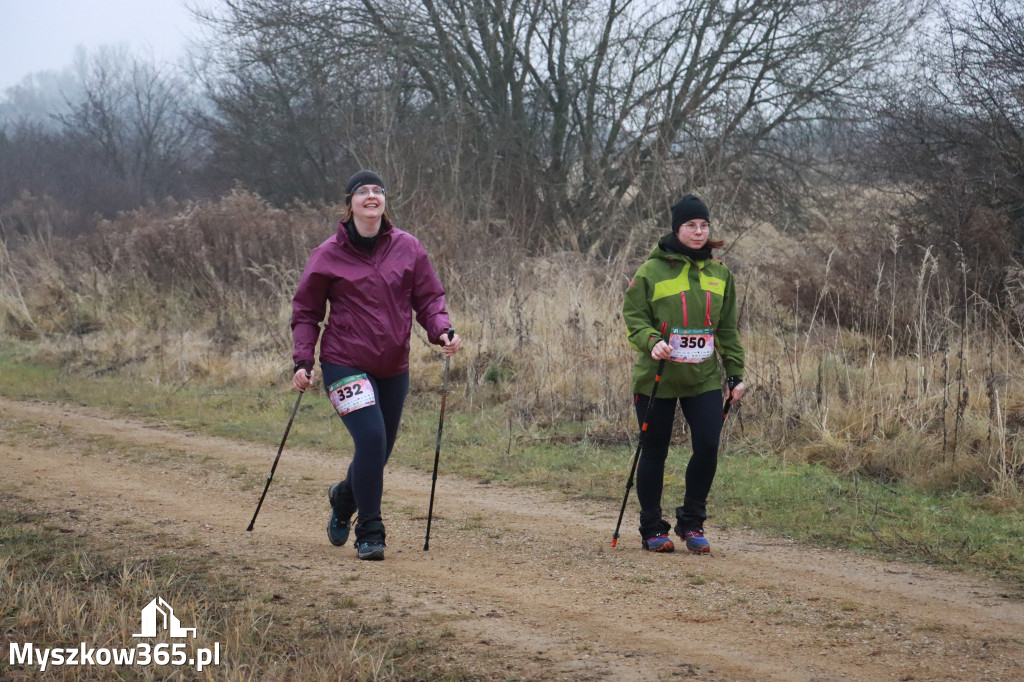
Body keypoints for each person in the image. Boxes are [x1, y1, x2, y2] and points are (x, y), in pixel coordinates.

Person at [291, 170, 461, 561]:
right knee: (370, 439)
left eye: (377, 191)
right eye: (362, 191)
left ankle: (343, 495)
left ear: (384, 202)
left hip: (392, 365)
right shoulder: (327, 254)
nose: (371, 196)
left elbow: (430, 297)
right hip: (344, 362)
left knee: (380, 449)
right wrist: (303, 359)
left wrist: (442, 331)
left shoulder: (409, 247)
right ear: (349, 203)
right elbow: (306, 312)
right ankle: (370, 530)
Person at [621, 194, 745, 554]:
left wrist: (735, 375)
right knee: (654, 450)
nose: (699, 231)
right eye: (691, 225)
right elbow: (634, 319)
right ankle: (651, 528)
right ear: (676, 228)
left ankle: (692, 524)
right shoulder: (650, 271)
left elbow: (727, 330)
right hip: (656, 377)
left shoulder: (720, 273)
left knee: (707, 445)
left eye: (704, 225)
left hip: (702, 378)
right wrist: (651, 341)